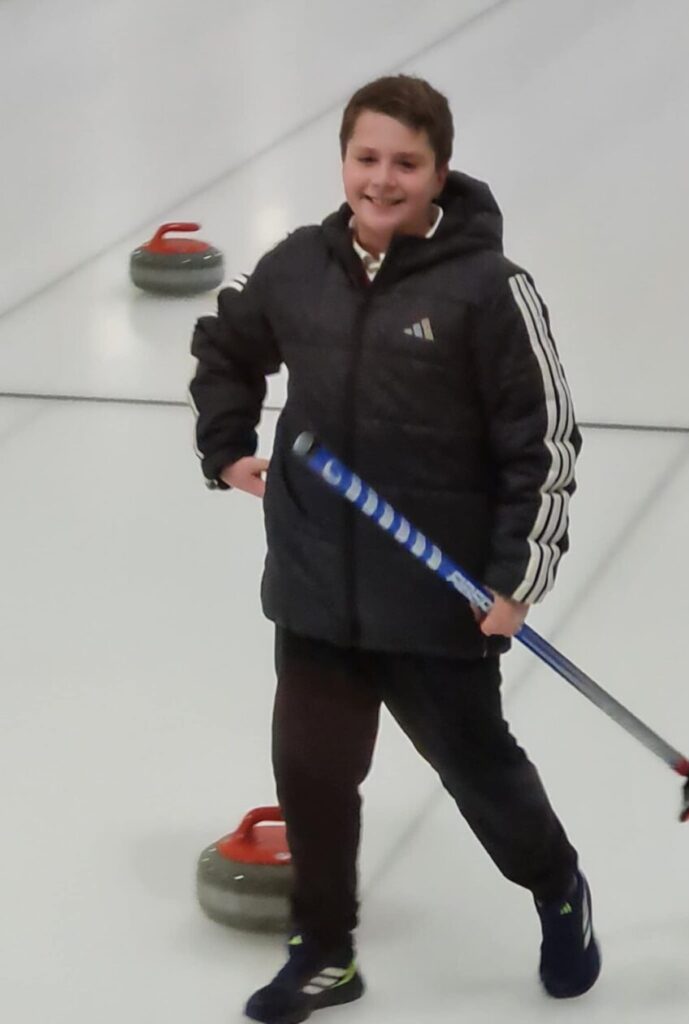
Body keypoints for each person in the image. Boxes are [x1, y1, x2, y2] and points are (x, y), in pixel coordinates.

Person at [189, 74, 600, 1024]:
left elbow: (543, 444)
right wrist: (225, 444)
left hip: (434, 601)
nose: (382, 180)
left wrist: (516, 578)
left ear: (439, 172)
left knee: (481, 776)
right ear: (343, 161)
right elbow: (227, 340)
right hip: (316, 588)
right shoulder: (300, 265)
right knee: (313, 774)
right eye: (365, 158)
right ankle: (324, 953)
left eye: (405, 163)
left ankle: (556, 886)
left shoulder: (489, 291)